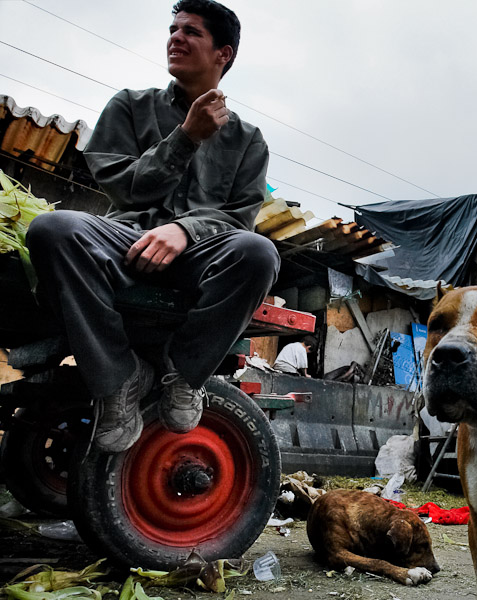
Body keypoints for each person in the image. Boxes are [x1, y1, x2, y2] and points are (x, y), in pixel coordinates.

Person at [26, 0, 279, 453]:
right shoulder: (129, 106)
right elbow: (124, 189)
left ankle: (184, 374)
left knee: (258, 251)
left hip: (201, 259)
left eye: (191, 31)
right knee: (54, 228)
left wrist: (185, 231)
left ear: (224, 54)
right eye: (173, 28)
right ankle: (120, 379)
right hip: (124, 242)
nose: (175, 37)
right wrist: (186, 137)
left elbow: (239, 216)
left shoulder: (248, 139)